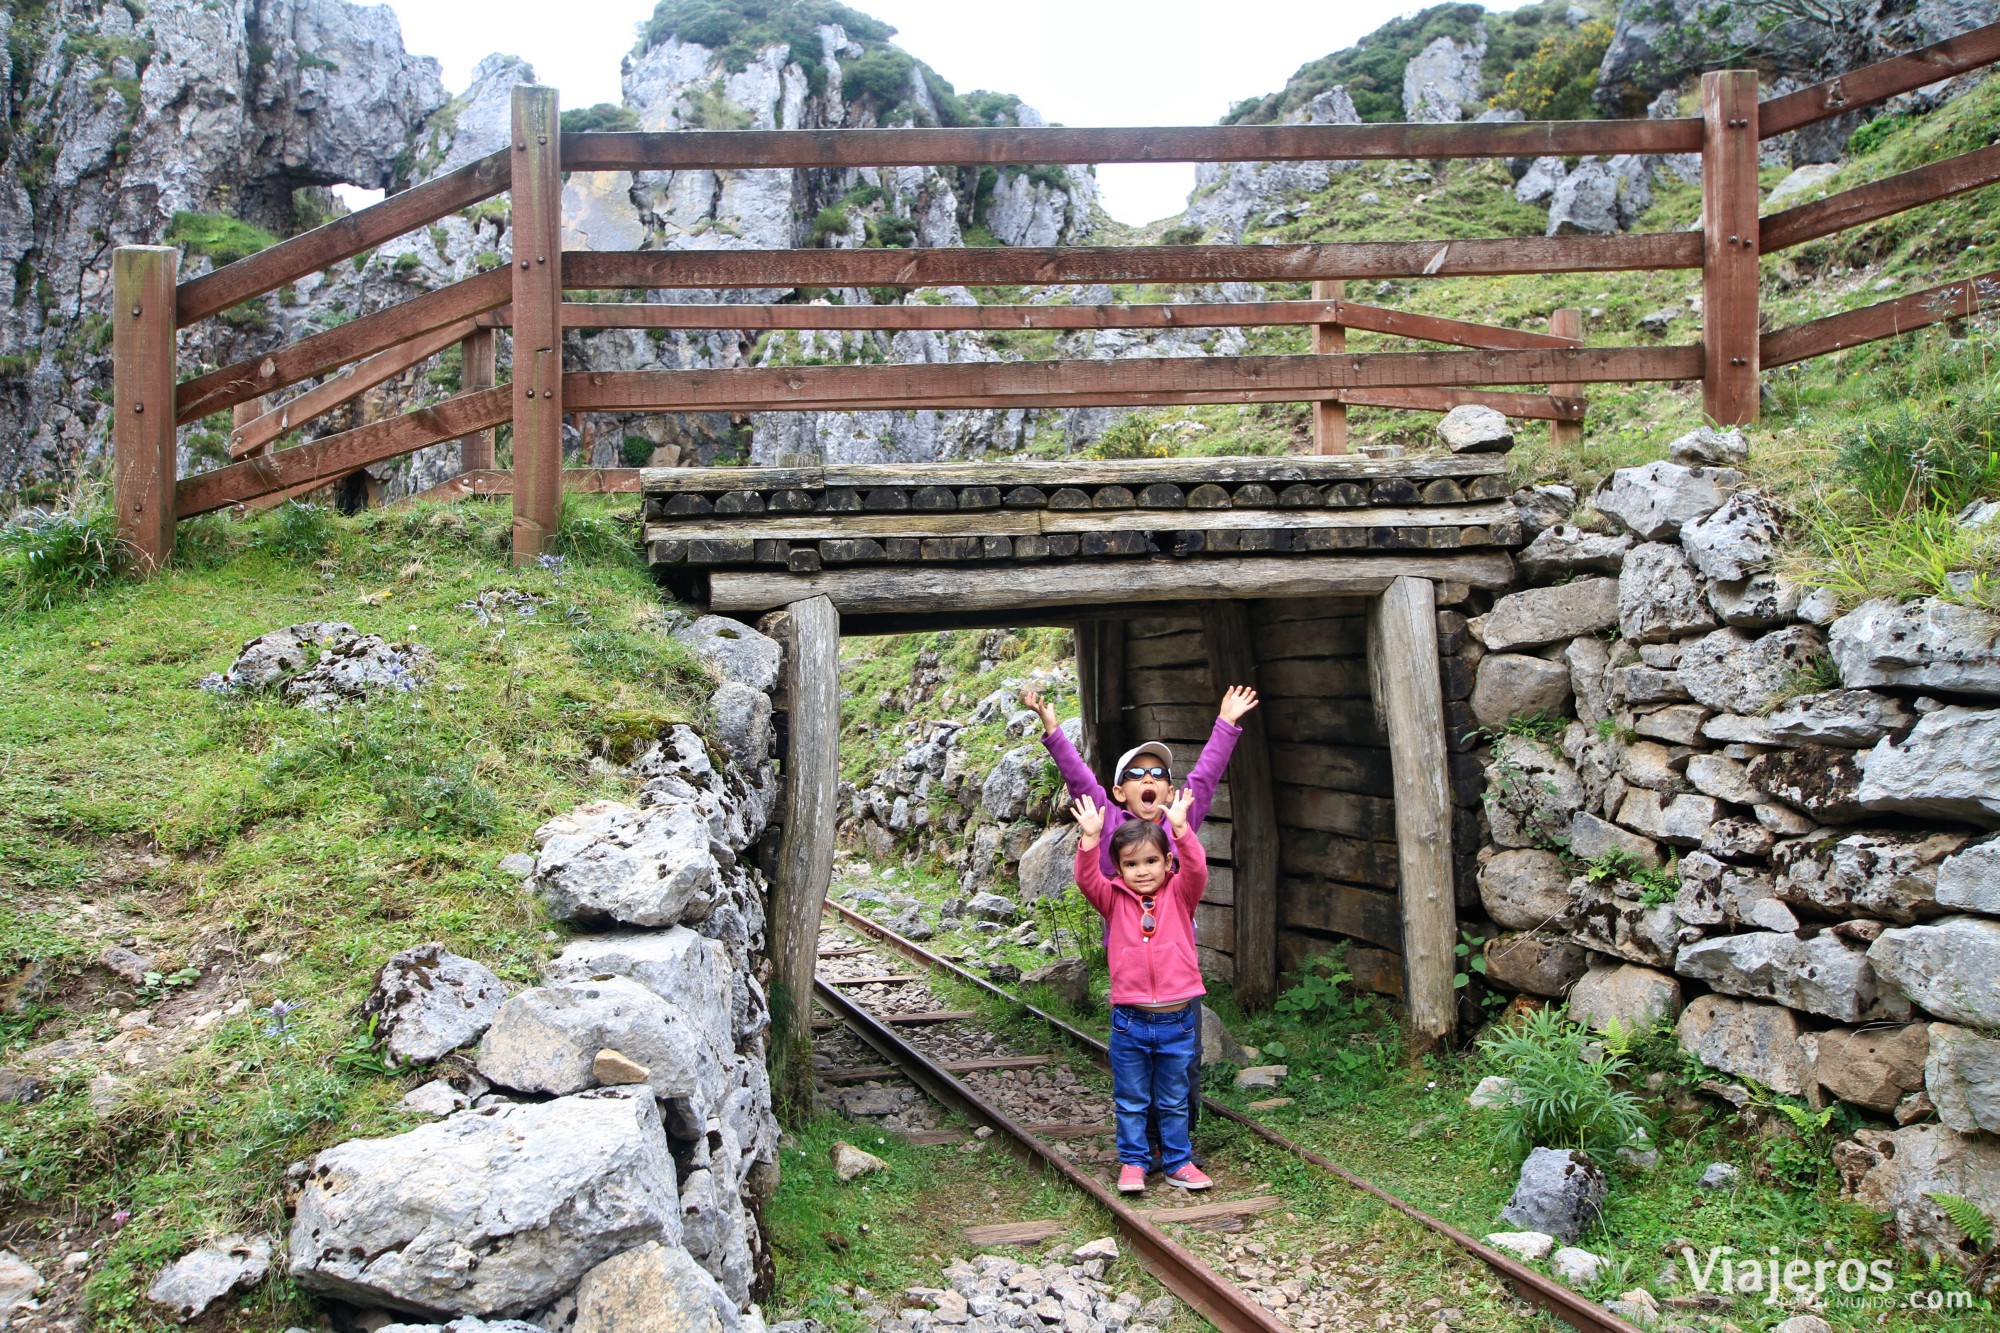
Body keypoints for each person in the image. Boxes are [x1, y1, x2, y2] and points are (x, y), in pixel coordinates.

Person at [1020, 682, 1259, 1167]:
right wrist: (1051, 728)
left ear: (1169, 790)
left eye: (1158, 774)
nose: (1149, 779)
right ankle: (1142, 1145)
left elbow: (1208, 776)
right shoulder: (1107, 820)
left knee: (1182, 1066)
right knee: (1135, 1068)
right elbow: (1078, 779)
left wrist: (1226, 723)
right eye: (1136, 773)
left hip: (1176, 974)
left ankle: (1174, 1145)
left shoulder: (1178, 819)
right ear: (1119, 790)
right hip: (1131, 971)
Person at [1071, 790, 1210, 1193]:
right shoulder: (1112, 899)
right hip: (1130, 1021)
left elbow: (1197, 868)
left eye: (1151, 861)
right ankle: (1133, 1162)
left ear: (1168, 863)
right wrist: (1090, 840)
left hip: (1178, 1021)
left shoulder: (1181, 894)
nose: (1143, 871)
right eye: (1131, 864)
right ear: (1118, 869)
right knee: (1131, 1098)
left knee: (1174, 1097)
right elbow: (1086, 878)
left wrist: (1182, 831)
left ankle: (1178, 1161)